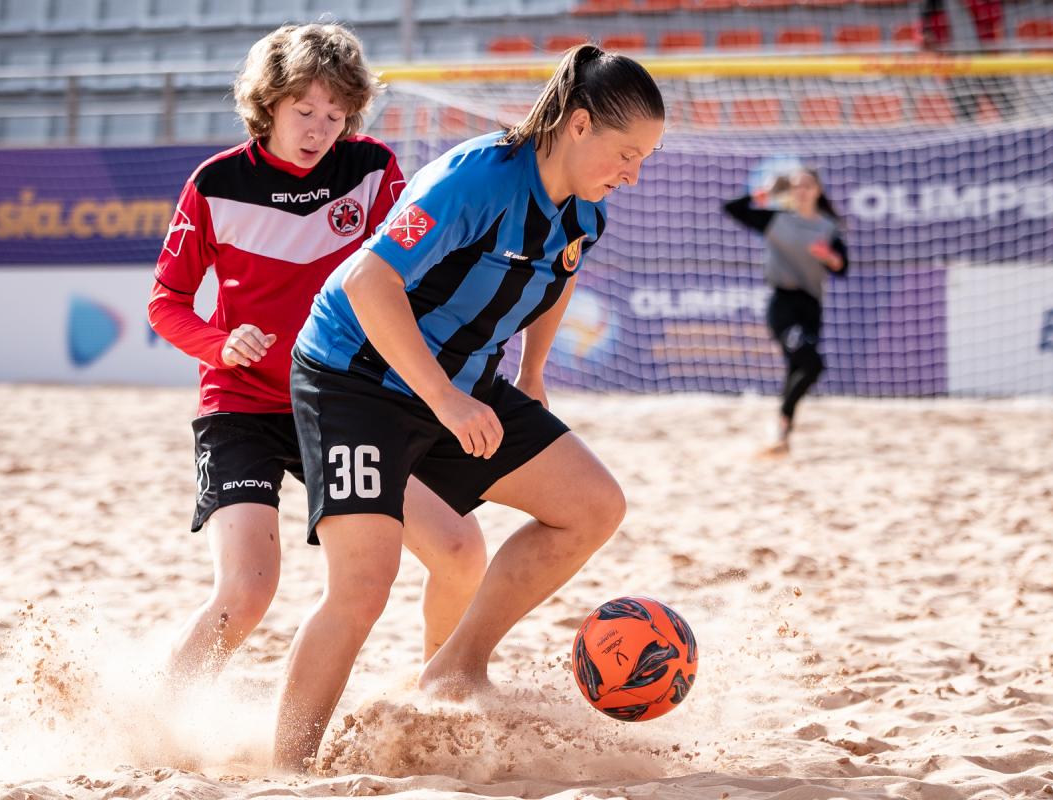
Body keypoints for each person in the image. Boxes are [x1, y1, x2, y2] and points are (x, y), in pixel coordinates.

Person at [273, 43, 665, 771]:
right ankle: (286, 772)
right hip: (354, 377)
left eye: (645, 159)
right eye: (627, 153)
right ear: (580, 124)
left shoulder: (586, 210)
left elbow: (559, 276)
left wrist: (534, 373)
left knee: (593, 507)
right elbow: (367, 282)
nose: (633, 173)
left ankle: (455, 668)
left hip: (461, 379)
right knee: (363, 587)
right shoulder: (475, 177)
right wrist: (446, 400)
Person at [147, 23, 486, 687]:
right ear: (268, 103)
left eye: (335, 115)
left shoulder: (372, 169)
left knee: (458, 549)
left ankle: (439, 696)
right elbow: (167, 302)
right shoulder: (215, 183)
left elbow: (414, 272)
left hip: (340, 400)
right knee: (246, 593)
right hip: (241, 406)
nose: (319, 129)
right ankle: (154, 716)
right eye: (304, 110)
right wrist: (221, 344)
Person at [723, 168, 849, 457]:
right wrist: (765, 192)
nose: (802, 190)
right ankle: (780, 425)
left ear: (818, 190)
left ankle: (781, 432)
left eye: (807, 185)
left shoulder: (827, 227)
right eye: (796, 186)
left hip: (811, 306)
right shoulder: (777, 219)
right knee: (811, 363)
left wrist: (830, 257)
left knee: (799, 369)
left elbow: (843, 267)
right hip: (782, 305)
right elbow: (732, 209)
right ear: (789, 191)